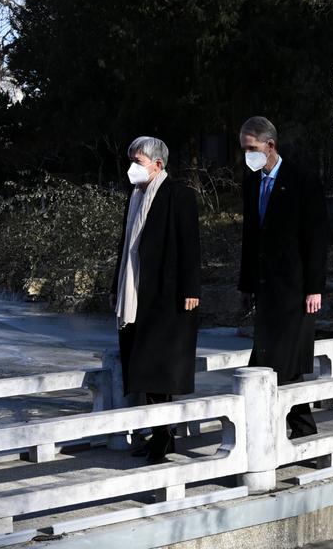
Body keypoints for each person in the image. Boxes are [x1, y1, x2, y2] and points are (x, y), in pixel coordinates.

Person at [237, 116, 328, 438]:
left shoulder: (301, 180)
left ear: (270, 146)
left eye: (252, 148)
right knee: (269, 361)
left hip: (296, 288)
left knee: (281, 362)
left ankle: (287, 432)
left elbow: (316, 238)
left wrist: (314, 288)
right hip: (265, 288)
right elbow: (251, 236)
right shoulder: (251, 182)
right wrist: (246, 284)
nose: (247, 155)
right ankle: (296, 430)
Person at [112, 136, 201, 464]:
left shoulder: (178, 195)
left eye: (139, 161)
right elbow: (126, 247)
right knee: (146, 370)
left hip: (168, 295)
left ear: (158, 165)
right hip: (138, 293)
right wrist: (114, 287)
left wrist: (192, 289)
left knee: (160, 369)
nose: (132, 168)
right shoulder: (135, 196)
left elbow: (190, 244)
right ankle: (157, 435)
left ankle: (164, 437)